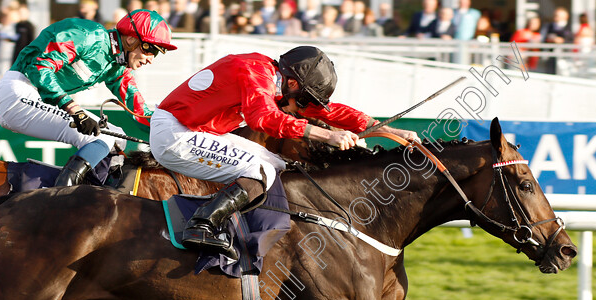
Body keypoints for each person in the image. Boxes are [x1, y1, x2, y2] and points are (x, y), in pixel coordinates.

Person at [149, 46, 420, 258]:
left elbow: (329, 111)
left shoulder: (275, 79)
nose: (304, 107)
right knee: (261, 169)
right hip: (176, 132)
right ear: (292, 84)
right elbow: (262, 118)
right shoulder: (254, 71)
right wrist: (327, 134)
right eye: (304, 98)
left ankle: (225, 222)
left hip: (196, 131)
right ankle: (202, 225)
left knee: (275, 165)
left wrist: (390, 131)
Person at [0, 9, 176, 186]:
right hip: (18, 92)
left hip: (35, 98)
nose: (151, 59)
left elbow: (140, 113)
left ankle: (95, 193)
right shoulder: (89, 35)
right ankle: (61, 198)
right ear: (131, 39)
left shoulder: (117, 68)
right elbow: (40, 68)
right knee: (101, 139)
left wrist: (175, 134)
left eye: (158, 53)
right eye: (151, 49)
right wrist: (74, 109)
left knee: (118, 138)